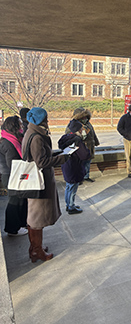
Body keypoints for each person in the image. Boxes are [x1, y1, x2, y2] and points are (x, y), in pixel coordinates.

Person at [23, 107, 68, 262]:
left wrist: (57, 154)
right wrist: (62, 159)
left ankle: (36, 247)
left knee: (36, 218)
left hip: (37, 181)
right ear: (41, 120)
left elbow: (41, 156)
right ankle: (36, 251)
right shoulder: (36, 137)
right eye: (46, 118)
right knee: (37, 219)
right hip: (38, 183)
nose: (48, 121)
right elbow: (41, 162)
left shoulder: (32, 132)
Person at [0, 116, 28, 236]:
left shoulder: (13, 139)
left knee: (21, 200)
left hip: (15, 174)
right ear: (14, 126)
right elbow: (12, 163)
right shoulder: (8, 143)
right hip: (11, 175)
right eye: (20, 124)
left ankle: (21, 223)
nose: (22, 127)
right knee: (14, 201)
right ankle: (12, 228)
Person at [58, 120, 91, 214]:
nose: (82, 131)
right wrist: (87, 150)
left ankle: (68, 204)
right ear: (78, 130)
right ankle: (71, 206)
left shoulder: (65, 138)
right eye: (81, 129)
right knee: (73, 188)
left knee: (68, 187)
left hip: (67, 165)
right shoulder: (77, 141)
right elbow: (84, 155)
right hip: (74, 167)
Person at [66, 107, 99, 182]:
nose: (85, 118)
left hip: (89, 146)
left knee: (87, 162)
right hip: (81, 147)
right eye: (83, 117)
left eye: (86, 116)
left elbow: (93, 133)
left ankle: (86, 176)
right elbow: (68, 135)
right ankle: (79, 178)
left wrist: (96, 141)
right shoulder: (73, 124)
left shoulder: (88, 123)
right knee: (79, 164)